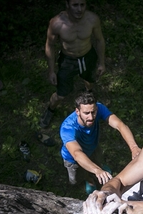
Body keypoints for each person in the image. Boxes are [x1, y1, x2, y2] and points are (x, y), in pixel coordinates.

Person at [40, 0, 106, 128]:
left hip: (88, 56)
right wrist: (51, 70)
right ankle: (50, 110)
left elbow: (99, 40)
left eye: (82, 5)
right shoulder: (57, 23)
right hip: (68, 60)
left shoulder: (92, 19)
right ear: (67, 4)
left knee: (90, 79)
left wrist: (102, 62)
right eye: (75, 5)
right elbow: (50, 45)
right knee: (61, 94)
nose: (79, 9)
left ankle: (89, 91)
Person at [60, 92, 140, 193]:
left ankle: (98, 169)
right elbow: (77, 153)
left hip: (93, 147)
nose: (91, 117)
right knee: (78, 177)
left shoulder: (99, 108)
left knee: (98, 161)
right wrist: (96, 170)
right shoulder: (67, 128)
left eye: (93, 112)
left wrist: (134, 147)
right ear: (77, 111)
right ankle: (89, 180)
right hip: (73, 160)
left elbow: (120, 125)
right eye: (86, 113)